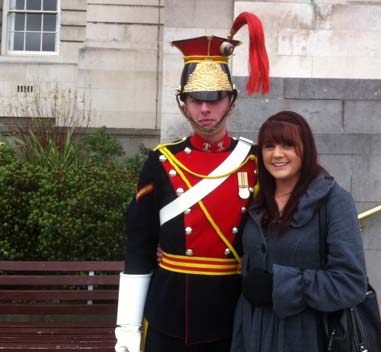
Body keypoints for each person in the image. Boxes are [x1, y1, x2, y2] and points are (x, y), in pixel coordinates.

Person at [114, 12, 270, 352]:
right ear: (183, 104)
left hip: (233, 314)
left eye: (214, 99)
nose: (205, 109)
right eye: (196, 100)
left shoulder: (255, 160)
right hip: (169, 311)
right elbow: (139, 244)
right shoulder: (161, 161)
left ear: (231, 102)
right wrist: (126, 326)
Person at [231, 111, 368, 352]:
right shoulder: (256, 200)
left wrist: (279, 286)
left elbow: (350, 283)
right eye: (269, 146)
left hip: (306, 336)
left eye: (288, 145)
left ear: (306, 149)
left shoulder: (334, 201)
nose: (277, 154)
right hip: (252, 332)